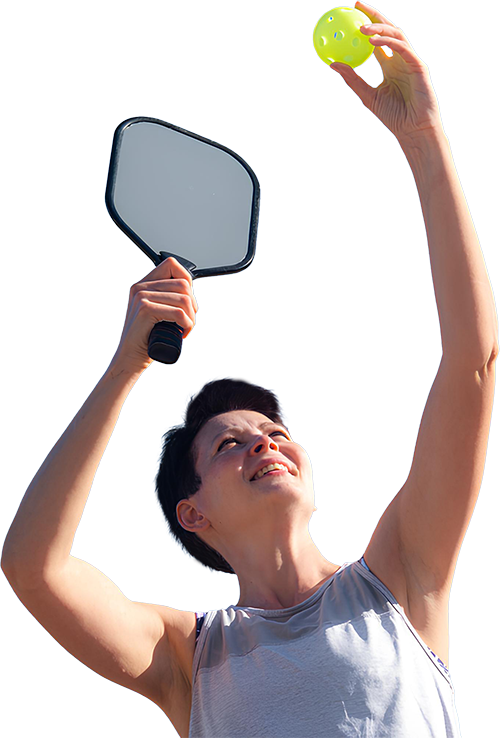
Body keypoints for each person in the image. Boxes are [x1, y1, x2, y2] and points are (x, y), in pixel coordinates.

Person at [2, 2, 497, 736]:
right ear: (192, 513)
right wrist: (123, 368)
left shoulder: (399, 579)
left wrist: (424, 141)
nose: (267, 442)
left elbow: (474, 362)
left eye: (273, 432)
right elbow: (34, 567)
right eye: (231, 444)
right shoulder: (187, 658)